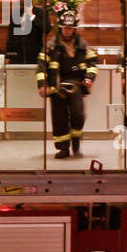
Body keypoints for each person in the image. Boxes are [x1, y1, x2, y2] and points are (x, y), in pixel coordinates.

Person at [36, 10, 96, 158]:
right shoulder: (50, 46)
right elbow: (41, 66)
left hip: (76, 85)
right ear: (61, 28)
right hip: (56, 87)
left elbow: (92, 63)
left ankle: (76, 141)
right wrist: (42, 84)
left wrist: (89, 78)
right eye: (65, 28)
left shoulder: (83, 46)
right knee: (59, 118)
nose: (67, 31)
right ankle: (63, 148)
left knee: (78, 115)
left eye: (70, 28)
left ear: (75, 29)